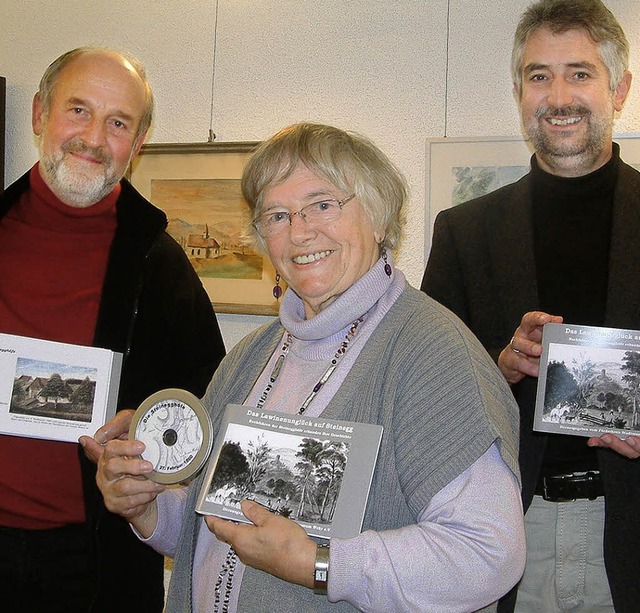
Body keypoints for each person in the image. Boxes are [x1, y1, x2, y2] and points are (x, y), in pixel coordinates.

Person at [85, 122, 526, 612]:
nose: (299, 231)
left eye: (323, 204)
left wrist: (319, 563)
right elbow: (207, 525)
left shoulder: (432, 353)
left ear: (379, 218)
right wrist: (145, 506)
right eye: (277, 215)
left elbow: (487, 555)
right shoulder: (251, 357)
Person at [421, 1, 640, 610]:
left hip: (629, 534)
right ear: (519, 92)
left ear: (618, 90)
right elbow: (425, 401)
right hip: (509, 530)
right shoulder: (464, 232)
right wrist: (497, 367)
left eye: (580, 73)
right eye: (539, 76)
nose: (558, 95)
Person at [0, 47, 226, 612]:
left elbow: (210, 401)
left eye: (118, 122)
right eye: (78, 110)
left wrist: (150, 436)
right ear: (38, 115)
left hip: (100, 562)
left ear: (139, 141)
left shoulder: (159, 261)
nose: (94, 138)